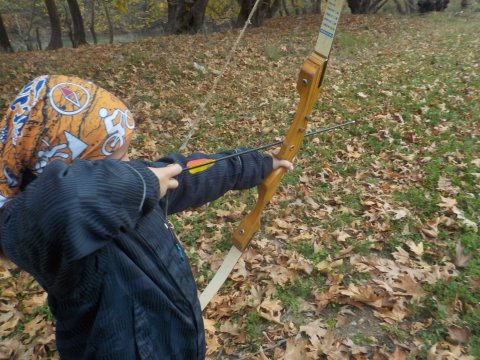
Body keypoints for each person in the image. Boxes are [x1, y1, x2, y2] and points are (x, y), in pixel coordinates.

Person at [0, 75, 293, 359]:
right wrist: (142, 182)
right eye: (117, 159)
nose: (130, 163)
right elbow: (66, 202)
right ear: (71, 167)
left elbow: (190, 173)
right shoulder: (48, 231)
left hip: (177, 340)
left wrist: (256, 164)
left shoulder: (127, 191)